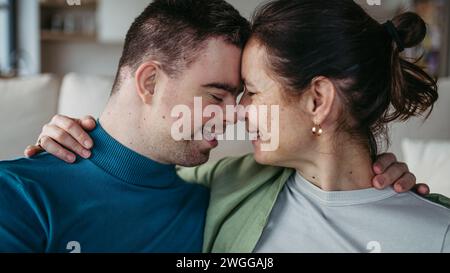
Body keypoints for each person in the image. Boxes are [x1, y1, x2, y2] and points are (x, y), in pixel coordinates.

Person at [23, 0, 449, 253]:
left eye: (251, 91)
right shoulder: (229, 184)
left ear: (318, 100)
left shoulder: (435, 232)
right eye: (226, 94)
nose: (239, 113)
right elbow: (135, 181)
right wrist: (76, 153)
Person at [0, 0, 250, 253]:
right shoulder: (18, 192)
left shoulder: (210, 206)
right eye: (217, 97)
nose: (232, 117)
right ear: (150, 82)